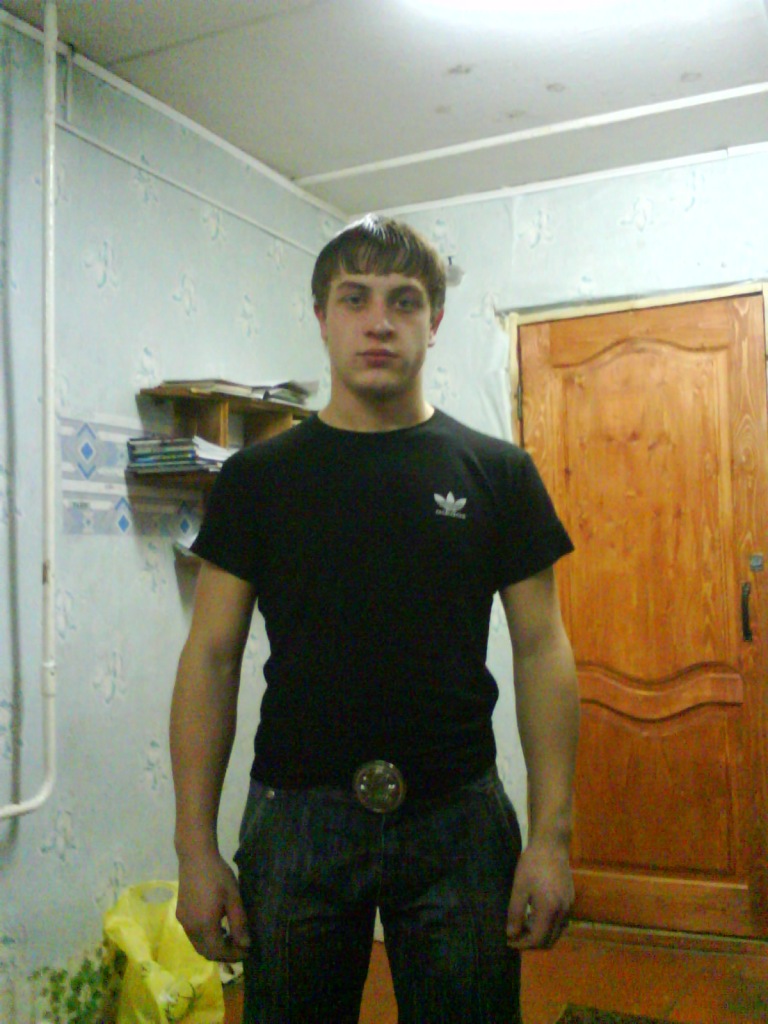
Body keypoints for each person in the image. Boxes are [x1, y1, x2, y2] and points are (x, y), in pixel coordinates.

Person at [170, 215, 580, 1024]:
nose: (380, 321)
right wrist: (194, 849)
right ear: (322, 317)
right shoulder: (257, 480)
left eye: (405, 300)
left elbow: (542, 650)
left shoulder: (498, 471)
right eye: (354, 298)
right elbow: (211, 656)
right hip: (296, 819)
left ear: (435, 319)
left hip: (458, 819)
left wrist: (551, 837)